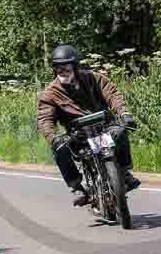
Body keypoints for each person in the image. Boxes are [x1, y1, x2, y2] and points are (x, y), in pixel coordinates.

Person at [37, 44, 142, 206]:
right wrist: (53, 138)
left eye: (66, 67)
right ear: (54, 70)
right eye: (58, 68)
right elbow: (45, 119)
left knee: (120, 131)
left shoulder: (94, 78)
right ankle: (77, 186)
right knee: (59, 149)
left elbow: (112, 94)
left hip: (103, 129)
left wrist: (124, 114)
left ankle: (124, 173)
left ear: (75, 66)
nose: (62, 71)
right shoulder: (49, 94)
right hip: (78, 137)